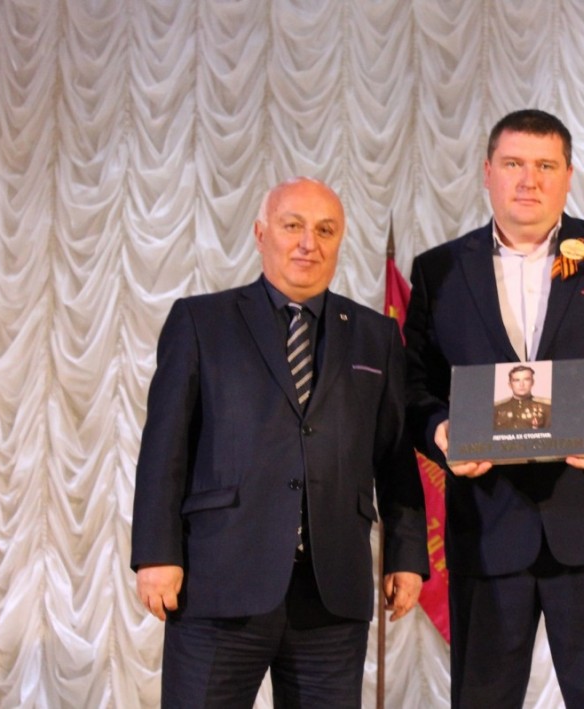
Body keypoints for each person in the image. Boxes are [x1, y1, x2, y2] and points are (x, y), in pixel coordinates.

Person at [404, 109, 584, 708]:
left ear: (568, 176)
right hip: (487, 523)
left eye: (545, 166)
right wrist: (441, 430)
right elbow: (413, 386)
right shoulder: (438, 269)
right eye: (513, 164)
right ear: (487, 172)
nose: (528, 180)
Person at [130, 177, 428, 708]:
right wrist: (156, 554)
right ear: (261, 233)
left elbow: (394, 457)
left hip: (331, 596)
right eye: (293, 226)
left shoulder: (375, 336)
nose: (308, 243)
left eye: (325, 230)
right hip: (219, 584)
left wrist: (406, 555)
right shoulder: (201, 322)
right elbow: (163, 451)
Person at [493, 364, 551, 430]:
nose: (521, 384)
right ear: (510, 384)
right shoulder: (496, 409)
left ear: (532, 382)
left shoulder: (547, 408)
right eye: (516, 380)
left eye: (526, 379)